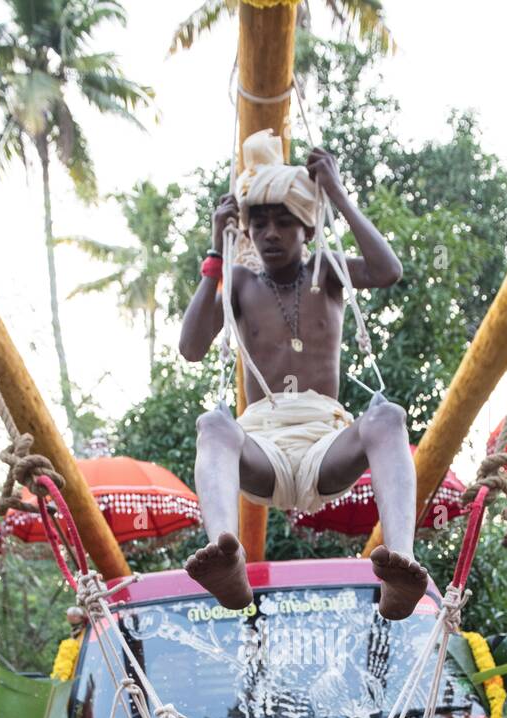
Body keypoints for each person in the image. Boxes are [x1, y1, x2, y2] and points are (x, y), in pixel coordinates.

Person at [178, 130, 429, 621]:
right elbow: (190, 348)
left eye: (284, 223)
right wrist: (215, 252)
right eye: (260, 224)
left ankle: (401, 564)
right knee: (213, 425)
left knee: (387, 418)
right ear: (246, 232)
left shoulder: (328, 272)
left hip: (324, 444)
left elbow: (387, 269)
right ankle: (226, 557)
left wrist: (335, 193)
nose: (270, 234)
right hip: (262, 447)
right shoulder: (240, 282)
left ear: (307, 229)